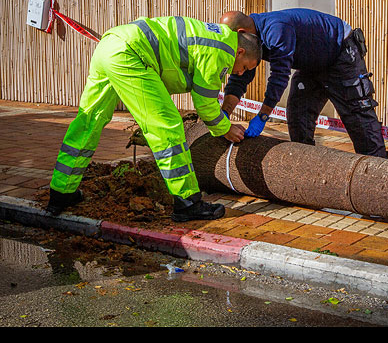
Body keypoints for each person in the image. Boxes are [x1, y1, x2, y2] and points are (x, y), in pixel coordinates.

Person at [47, 16, 261, 222]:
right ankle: (188, 203)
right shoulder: (222, 51)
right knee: (167, 126)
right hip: (132, 54)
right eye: (244, 67)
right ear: (240, 51)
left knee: (88, 120)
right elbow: (205, 103)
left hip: (109, 45)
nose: (240, 73)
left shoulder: (214, 36)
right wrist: (225, 128)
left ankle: (61, 190)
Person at [220, 8, 388, 159]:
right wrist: (224, 115)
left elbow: (279, 77)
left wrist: (263, 116)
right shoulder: (250, 41)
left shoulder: (276, 29)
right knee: (298, 114)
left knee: (357, 115)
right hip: (311, 65)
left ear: (241, 32)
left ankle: (379, 170)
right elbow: (240, 77)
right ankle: (307, 165)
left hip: (340, 53)